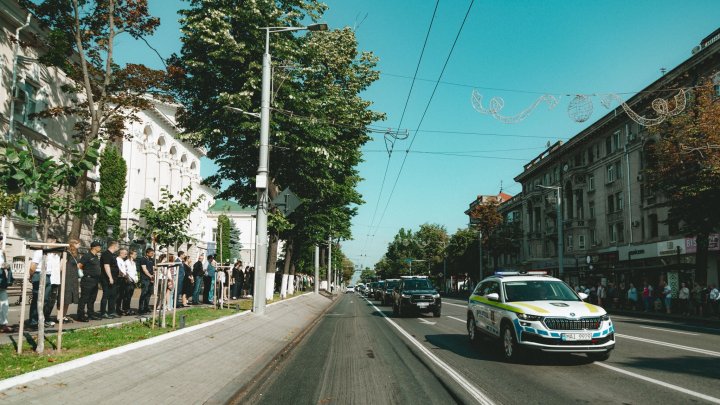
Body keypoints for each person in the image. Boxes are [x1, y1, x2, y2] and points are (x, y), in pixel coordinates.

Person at [27, 235, 58, 329]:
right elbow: (33, 266)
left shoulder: (51, 253)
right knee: (37, 299)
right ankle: (33, 321)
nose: (55, 245)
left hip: (48, 276)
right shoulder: (39, 252)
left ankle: (41, 319)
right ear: (51, 242)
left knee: (46, 299)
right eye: (54, 243)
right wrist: (32, 276)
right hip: (39, 274)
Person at [77, 241, 102, 322]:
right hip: (88, 280)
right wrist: (81, 274)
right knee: (84, 298)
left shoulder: (96, 256)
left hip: (95, 280)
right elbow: (79, 265)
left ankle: (90, 314)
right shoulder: (87, 256)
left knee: (92, 298)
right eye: (99, 246)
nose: (100, 248)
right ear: (94, 247)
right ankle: (80, 315)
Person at [60, 239, 81, 322]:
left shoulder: (75, 254)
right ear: (73, 244)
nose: (79, 246)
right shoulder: (66, 253)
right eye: (78, 244)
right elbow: (61, 265)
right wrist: (61, 276)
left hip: (73, 278)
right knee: (64, 296)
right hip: (67, 277)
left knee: (69, 298)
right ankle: (60, 316)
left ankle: (64, 315)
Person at [99, 241, 120, 319]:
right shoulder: (106, 254)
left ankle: (111, 311)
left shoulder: (113, 255)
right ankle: (103, 312)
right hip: (106, 278)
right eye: (118, 246)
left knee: (113, 295)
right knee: (106, 295)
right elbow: (106, 266)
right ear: (113, 246)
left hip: (114, 278)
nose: (118, 248)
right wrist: (110, 277)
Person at [121, 250, 138, 315]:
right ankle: (125, 309)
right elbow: (126, 271)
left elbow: (135, 272)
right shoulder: (126, 262)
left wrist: (136, 279)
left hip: (133, 281)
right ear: (130, 255)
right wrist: (129, 278)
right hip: (128, 280)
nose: (136, 255)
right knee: (126, 296)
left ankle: (128, 308)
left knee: (130, 295)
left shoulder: (134, 263)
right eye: (135, 254)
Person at [0, 250, 14, 333]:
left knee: (5, 305)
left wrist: (7, 266)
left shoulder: (2, 253)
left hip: (2, 282)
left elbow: (4, 264)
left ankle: (3, 324)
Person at [138, 248, 155, 314]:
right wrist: (150, 276)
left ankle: (146, 307)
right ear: (147, 253)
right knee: (144, 293)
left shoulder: (152, 259)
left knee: (149, 293)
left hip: (151, 279)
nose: (152, 254)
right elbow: (144, 269)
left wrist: (153, 275)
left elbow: (153, 268)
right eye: (151, 253)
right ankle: (140, 308)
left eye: (153, 253)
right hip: (145, 279)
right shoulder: (143, 259)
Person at [114, 248, 129, 316]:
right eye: (125, 254)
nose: (126, 255)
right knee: (118, 295)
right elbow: (119, 269)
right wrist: (124, 275)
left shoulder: (122, 260)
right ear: (121, 253)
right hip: (119, 279)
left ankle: (119, 308)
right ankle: (116, 309)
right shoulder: (117, 259)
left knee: (121, 295)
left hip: (123, 278)